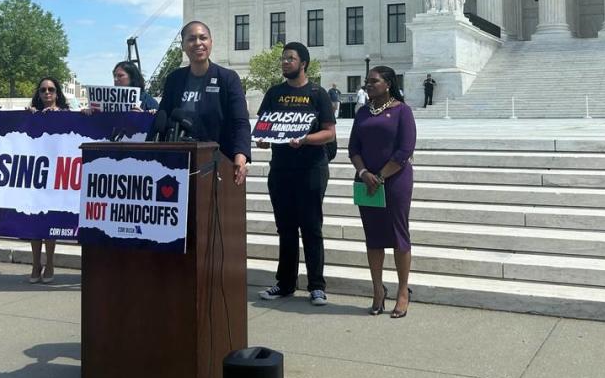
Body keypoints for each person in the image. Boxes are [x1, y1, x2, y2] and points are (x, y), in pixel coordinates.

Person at [256, 42, 336, 306]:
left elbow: (329, 132)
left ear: (304, 63)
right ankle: (285, 283)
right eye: (283, 58)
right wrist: (263, 139)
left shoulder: (318, 93)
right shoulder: (274, 93)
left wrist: (304, 138)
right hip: (281, 169)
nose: (285, 62)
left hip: (312, 169)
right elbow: (262, 129)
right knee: (286, 228)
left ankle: (316, 286)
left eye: (290, 58)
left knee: (312, 228)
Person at [349, 65, 416, 319]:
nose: (368, 85)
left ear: (388, 84)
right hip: (366, 182)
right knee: (373, 237)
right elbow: (353, 147)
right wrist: (364, 173)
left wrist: (380, 176)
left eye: (373, 81)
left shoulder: (402, 111)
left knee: (399, 235)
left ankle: (402, 292)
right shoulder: (363, 113)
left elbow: (405, 149)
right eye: (367, 81)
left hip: (395, 180)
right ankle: (378, 290)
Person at [158, 21, 250, 184]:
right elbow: (162, 117)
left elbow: (240, 122)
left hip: (217, 163)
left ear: (211, 42)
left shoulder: (227, 78)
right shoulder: (174, 79)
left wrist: (241, 155)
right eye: (191, 39)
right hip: (177, 164)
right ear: (184, 46)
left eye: (203, 38)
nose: (198, 43)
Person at [27, 76, 70, 283]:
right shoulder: (31, 114)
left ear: (57, 92)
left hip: (57, 174)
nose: (47, 93)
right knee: (34, 221)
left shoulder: (66, 114)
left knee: (49, 221)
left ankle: (50, 262)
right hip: (35, 173)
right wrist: (28, 117)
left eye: (51, 89)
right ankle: (36, 263)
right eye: (43, 90)